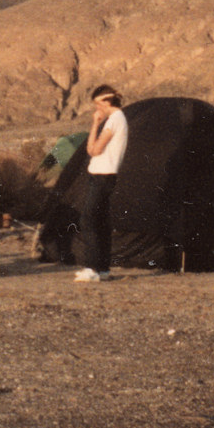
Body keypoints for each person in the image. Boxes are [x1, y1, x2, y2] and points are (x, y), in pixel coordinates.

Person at [74, 86, 128, 283]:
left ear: (106, 102)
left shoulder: (114, 120)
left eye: (98, 103)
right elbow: (91, 150)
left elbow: (95, 149)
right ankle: (102, 268)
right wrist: (95, 124)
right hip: (102, 175)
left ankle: (92, 267)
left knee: (88, 220)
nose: (97, 108)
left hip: (103, 175)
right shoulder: (115, 120)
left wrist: (96, 125)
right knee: (101, 222)